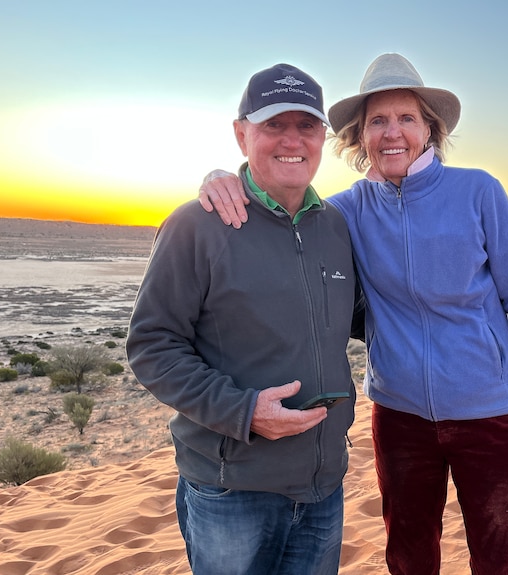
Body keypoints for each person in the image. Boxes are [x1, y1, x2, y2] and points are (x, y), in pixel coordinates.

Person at [199, 53, 508, 575]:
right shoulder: (345, 211)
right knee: (409, 558)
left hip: (492, 412)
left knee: (501, 558)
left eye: (406, 118)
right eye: (378, 121)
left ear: (429, 130)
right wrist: (218, 177)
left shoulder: (479, 192)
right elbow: (278, 209)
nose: (393, 133)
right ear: (360, 136)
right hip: (400, 416)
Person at [127, 62, 364, 575]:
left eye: (306, 126)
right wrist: (243, 411)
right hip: (232, 489)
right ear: (241, 135)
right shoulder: (198, 225)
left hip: (324, 487)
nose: (292, 140)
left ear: (323, 136)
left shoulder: (336, 227)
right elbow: (153, 345)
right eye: (273, 125)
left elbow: (366, 317)